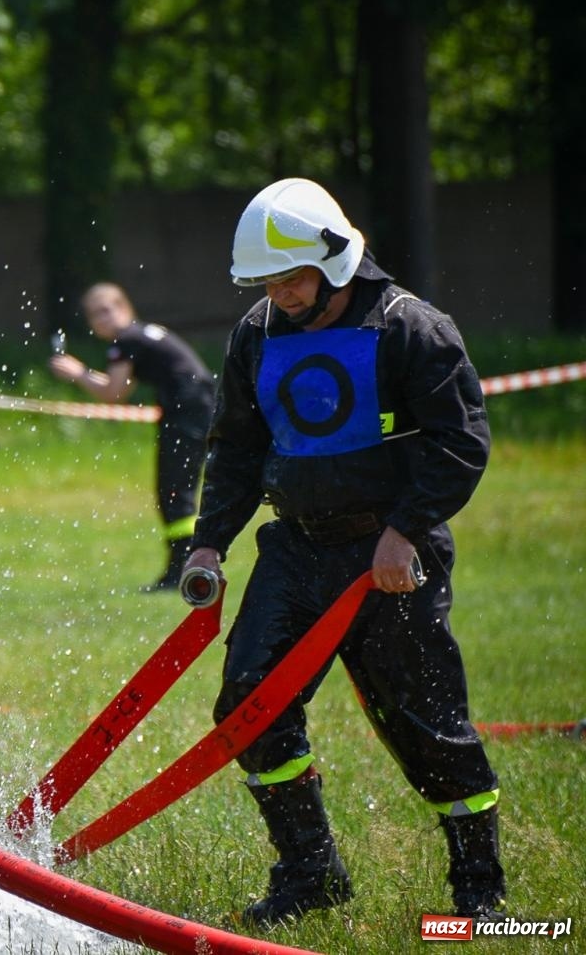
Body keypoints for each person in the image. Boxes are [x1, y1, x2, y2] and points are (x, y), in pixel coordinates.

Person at [182, 179, 505, 926]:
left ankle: (479, 892)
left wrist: (405, 531)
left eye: (291, 278)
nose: (280, 295)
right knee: (250, 706)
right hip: (295, 551)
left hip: (390, 558)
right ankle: (310, 874)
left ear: (335, 261)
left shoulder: (411, 328)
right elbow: (237, 448)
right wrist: (208, 543)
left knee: (425, 726)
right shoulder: (256, 333)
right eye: (267, 282)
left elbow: (460, 442)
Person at [49, 283, 216, 589]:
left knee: (175, 492)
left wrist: (77, 373)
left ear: (124, 308)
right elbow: (121, 388)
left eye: (106, 310)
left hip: (187, 413)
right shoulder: (139, 335)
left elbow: (113, 393)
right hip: (194, 409)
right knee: (176, 490)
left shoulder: (126, 339)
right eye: (95, 314)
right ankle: (181, 566)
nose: (102, 319)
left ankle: (181, 569)